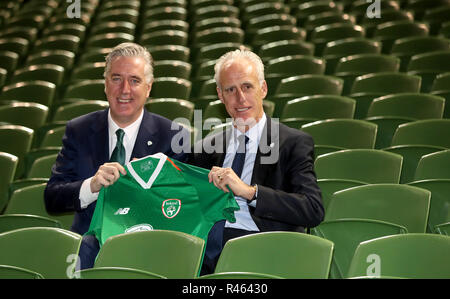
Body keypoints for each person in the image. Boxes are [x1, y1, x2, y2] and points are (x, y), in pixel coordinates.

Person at [44, 42, 189, 269]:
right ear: (105, 84)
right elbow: (52, 198)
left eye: (134, 80)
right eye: (116, 79)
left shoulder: (173, 136)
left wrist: (143, 187)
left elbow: (180, 206)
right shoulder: (78, 130)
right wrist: (91, 186)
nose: (124, 90)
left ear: (149, 88)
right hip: (86, 252)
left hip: (146, 249)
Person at [188, 49, 324, 274]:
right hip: (208, 247)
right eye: (230, 90)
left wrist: (250, 192)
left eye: (247, 87)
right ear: (220, 95)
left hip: (263, 247)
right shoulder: (205, 148)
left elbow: (312, 209)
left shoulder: (292, 143)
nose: (240, 98)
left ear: (263, 88)